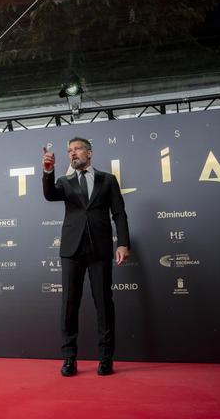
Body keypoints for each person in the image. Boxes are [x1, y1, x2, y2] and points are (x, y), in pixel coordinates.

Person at [42, 137, 130, 376]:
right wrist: (47, 171)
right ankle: (69, 359)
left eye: (77, 149)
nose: (72, 153)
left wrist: (122, 243)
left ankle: (106, 358)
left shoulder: (108, 180)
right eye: (69, 150)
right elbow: (49, 195)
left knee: (103, 303)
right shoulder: (64, 181)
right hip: (72, 250)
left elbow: (119, 213)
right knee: (69, 304)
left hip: (100, 249)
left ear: (89, 153)